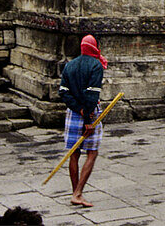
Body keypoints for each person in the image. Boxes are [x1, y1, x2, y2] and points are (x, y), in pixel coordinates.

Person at [59, 35, 107, 208]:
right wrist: (87, 117)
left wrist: (77, 108)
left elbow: (63, 92)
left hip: (73, 113)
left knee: (75, 153)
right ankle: (78, 193)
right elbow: (92, 95)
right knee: (92, 152)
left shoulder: (69, 65)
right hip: (89, 113)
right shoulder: (96, 65)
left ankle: (75, 192)